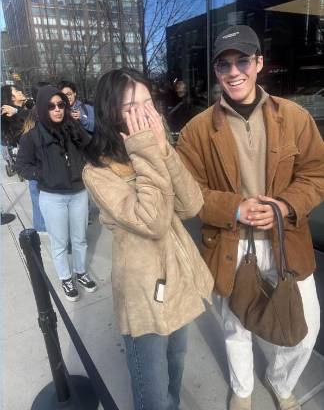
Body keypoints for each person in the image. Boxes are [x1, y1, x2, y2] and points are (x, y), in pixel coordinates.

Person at [176, 25, 324, 410]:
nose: (234, 71)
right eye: (224, 64)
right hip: (231, 241)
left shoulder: (294, 117)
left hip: (286, 238)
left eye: (243, 60)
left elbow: (316, 174)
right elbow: (186, 196)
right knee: (236, 325)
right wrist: (235, 208)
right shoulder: (196, 130)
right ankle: (243, 390)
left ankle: (280, 379)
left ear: (259, 64)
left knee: (305, 329)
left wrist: (284, 205)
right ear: (216, 72)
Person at [83, 68, 214, 410]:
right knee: (152, 390)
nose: (145, 114)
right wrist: (147, 150)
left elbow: (191, 205)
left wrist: (164, 152)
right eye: (132, 107)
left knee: (176, 365)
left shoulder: (152, 150)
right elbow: (153, 222)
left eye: (148, 104)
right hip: (144, 294)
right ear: (111, 113)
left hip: (178, 280)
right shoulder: (98, 171)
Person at [16, 85, 97, 301]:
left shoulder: (73, 128)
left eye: (61, 104)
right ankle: (65, 277)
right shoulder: (32, 137)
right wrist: (43, 174)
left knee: (80, 239)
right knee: (60, 241)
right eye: (51, 106)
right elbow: (22, 166)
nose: (57, 109)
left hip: (78, 192)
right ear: (43, 108)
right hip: (52, 197)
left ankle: (80, 272)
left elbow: (91, 148)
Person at [20, 81, 50, 232]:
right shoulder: (38, 113)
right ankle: (42, 227)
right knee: (38, 197)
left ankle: (40, 226)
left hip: (35, 169)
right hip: (38, 168)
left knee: (37, 199)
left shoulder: (31, 113)